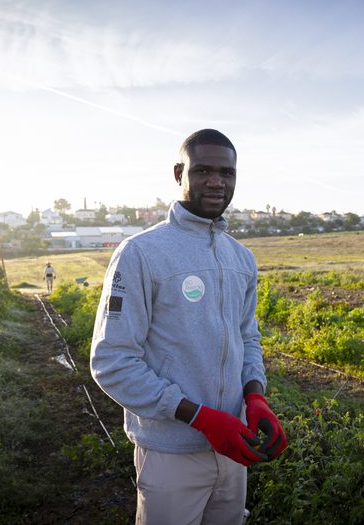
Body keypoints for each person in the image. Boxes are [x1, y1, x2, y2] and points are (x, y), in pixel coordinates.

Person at [90, 129, 287, 524]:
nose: (217, 182)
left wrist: (255, 396)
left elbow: (247, 337)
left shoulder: (241, 258)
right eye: (203, 171)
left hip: (234, 448)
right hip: (170, 454)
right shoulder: (142, 253)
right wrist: (200, 418)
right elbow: (112, 362)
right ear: (179, 172)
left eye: (227, 173)